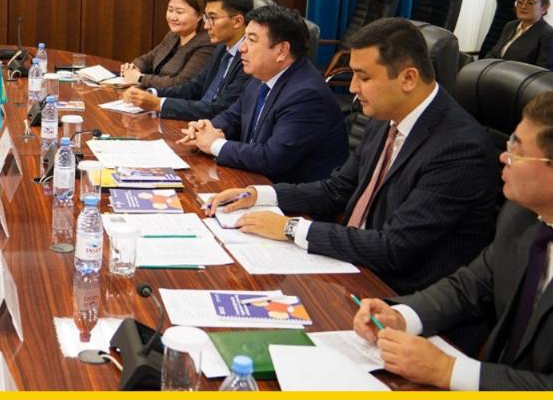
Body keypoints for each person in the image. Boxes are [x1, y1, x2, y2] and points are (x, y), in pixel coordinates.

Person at [206, 18, 499, 293]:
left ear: (408, 78)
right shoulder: (387, 116)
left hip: (395, 292)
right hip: (350, 264)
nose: (352, 88)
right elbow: (336, 190)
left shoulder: (459, 149)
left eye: (363, 77)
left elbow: (394, 247)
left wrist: (290, 228)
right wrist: (258, 195)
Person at [353, 90, 553, 390]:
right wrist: (402, 316)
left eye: (517, 150)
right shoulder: (522, 214)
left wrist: (447, 370)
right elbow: (470, 287)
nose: (503, 157)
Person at [179, 5, 348, 183]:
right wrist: (205, 130)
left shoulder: (306, 95)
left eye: (252, 40)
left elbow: (272, 159)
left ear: (281, 51)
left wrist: (214, 144)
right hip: (252, 179)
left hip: (287, 193)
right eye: (245, 38)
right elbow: (233, 116)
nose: (242, 48)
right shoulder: (261, 76)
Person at [121, 0, 253, 120]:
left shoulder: (248, 58)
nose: (206, 26)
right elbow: (193, 87)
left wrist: (159, 104)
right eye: (206, 18)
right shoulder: (222, 49)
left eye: (212, 18)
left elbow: (220, 109)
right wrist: (152, 93)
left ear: (237, 21)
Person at [119, 0, 215, 89]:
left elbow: (183, 83)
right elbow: (148, 59)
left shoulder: (207, 43)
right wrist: (133, 67)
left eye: (179, 12)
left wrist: (140, 78)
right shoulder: (173, 35)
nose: (173, 17)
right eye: (170, 10)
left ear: (199, 16)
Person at [484, 0, 553, 68]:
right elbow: (494, 53)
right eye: (520, 2)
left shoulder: (550, 35)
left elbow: (541, 70)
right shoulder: (510, 25)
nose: (523, 6)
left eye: (530, 3)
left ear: (544, 8)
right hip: (493, 72)